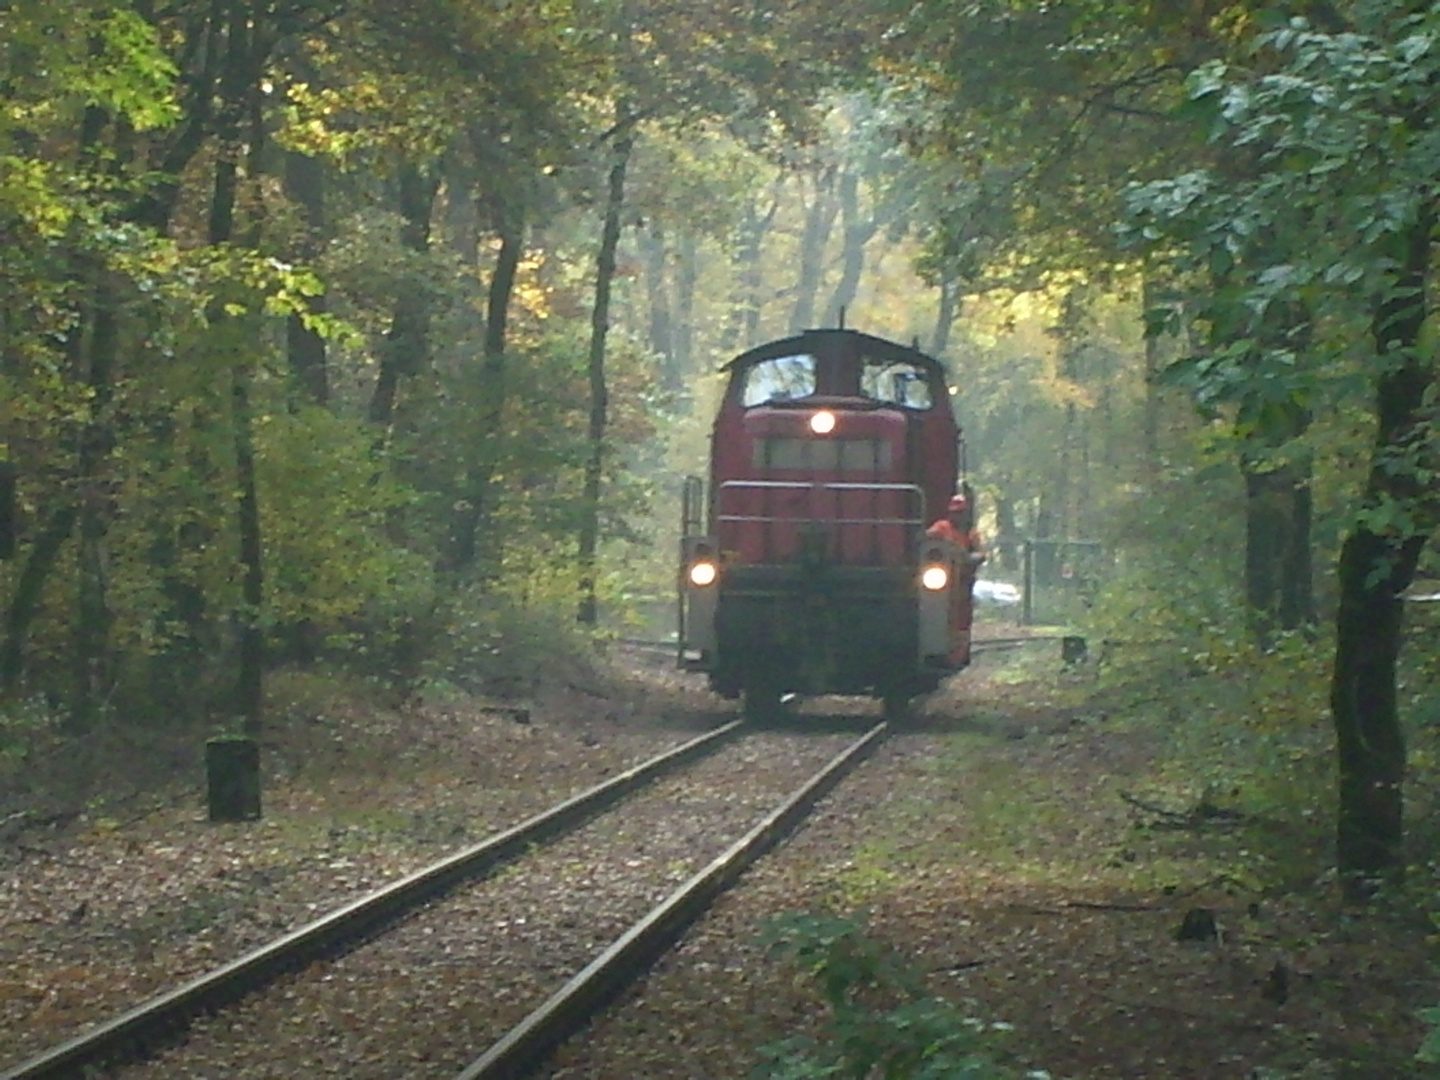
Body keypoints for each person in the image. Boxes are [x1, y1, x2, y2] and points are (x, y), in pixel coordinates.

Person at [926, 491, 985, 664]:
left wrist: (971, 558)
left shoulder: (971, 534)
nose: (957, 516)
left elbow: (981, 554)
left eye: (960, 512)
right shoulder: (942, 527)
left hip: (963, 584)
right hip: (944, 583)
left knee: (962, 620)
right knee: (945, 617)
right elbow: (925, 537)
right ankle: (945, 652)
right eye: (955, 512)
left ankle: (959, 656)